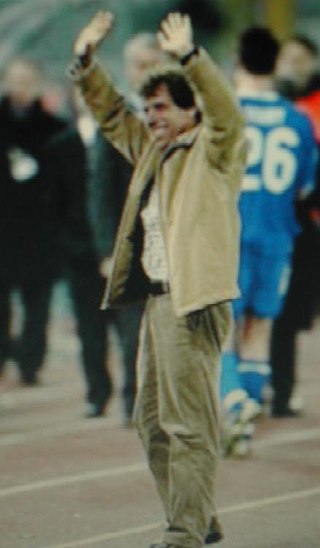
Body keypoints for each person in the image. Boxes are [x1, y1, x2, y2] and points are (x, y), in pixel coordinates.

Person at [70, 10, 245, 548]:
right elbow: (110, 114)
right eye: (148, 109)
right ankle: (199, 517)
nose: (151, 117)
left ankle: (184, 533)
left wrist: (192, 57)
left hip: (194, 303)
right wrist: (85, 63)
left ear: (190, 109)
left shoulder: (214, 152)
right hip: (157, 305)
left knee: (188, 427)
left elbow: (227, 113)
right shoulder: (153, 151)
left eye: (162, 106)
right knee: (151, 425)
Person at [220, 28, 318, 455]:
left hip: (230, 233)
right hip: (277, 237)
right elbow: (303, 187)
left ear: (238, 61)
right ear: (276, 64)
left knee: (224, 329)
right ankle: (246, 420)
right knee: (259, 328)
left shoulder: (224, 111)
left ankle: (233, 399)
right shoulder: (297, 119)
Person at [88, 32, 169, 425]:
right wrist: (107, 250)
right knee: (132, 330)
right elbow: (100, 191)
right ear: (128, 70)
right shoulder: (115, 121)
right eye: (140, 65)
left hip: (173, 240)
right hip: (130, 243)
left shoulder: (185, 116)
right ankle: (134, 404)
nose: (147, 72)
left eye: (154, 64)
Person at [0, 57, 67, 384]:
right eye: (15, 81)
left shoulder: (54, 130)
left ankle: (30, 362)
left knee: (37, 307)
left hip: (41, 233)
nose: (20, 89)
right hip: (3, 231)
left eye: (27, 82)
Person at [44, 103, 113, 418]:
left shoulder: (122, 141)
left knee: (131, 329)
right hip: (80, 253)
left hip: (117, 251)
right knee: (89, 329)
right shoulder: (61, 147)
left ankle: (134, 396)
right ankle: (97, 393)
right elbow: (52, 204)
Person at [270, 35, 320, 417]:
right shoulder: (271, 104)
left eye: (302, 59)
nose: (295, 66)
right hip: (282, 225)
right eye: (288, 58)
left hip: (311, 222)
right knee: (281, 314)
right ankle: (280, 390)